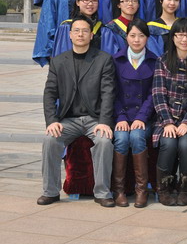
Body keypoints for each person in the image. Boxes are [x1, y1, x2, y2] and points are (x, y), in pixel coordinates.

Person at [39, 15, 117, 207]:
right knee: (50, 139)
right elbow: (49, 93)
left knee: (104, 141)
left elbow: (108, 93)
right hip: (68, 120)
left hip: (94, 119)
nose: (80, 34)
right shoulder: (58, 61)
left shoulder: (103, 60)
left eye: (85, 31)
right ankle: (50, 191)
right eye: (76, 31)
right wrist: (52, 121)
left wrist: (104, 122)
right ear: (70, 35)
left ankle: (102, 193)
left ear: (91, 35)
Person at [151, 17, 187, 206]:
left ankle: (184, 189)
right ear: (173, 37)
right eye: (180, 35)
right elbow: (158, 94)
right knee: (168, 143)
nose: (184, 39)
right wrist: (167, 122)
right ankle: (163, 189)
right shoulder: (162, 61)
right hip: (165, 120)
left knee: (186, 144)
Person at [111, 19, 158, 207]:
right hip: (121, 117)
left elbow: (154, 94)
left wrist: (141, 117)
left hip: (144, 117)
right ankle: (119, 190)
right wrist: (121, 117)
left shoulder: (155, 61)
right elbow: (112, 92)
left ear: (147, 38)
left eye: (141, 35)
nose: (136, 40)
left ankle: (141, 190)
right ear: (126, 37)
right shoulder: (116, 60)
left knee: (137, 136)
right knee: (122, 138)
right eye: (132, 35)